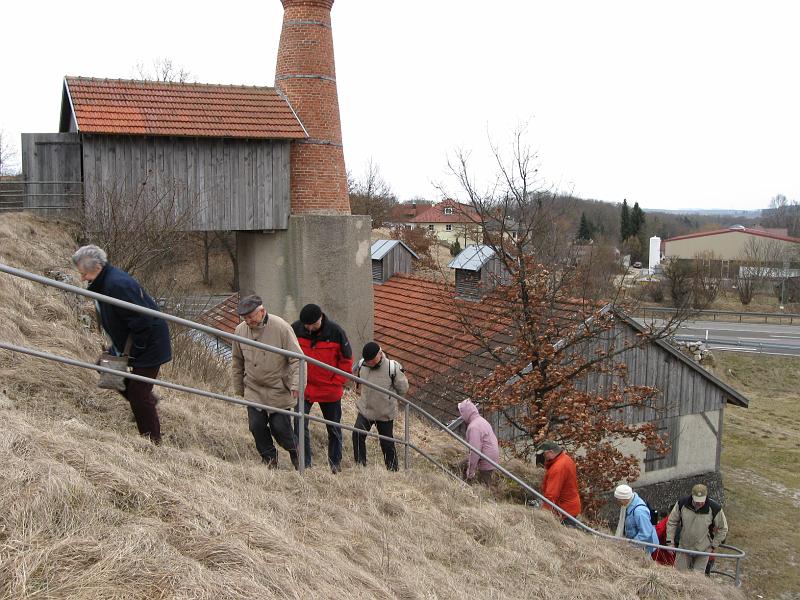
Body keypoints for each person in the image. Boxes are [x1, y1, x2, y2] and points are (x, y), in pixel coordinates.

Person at [72, 245, 172, 444]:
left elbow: (142, 320)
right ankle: (147, 403)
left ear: (97, 267)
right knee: (105, 367)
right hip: (132, 343)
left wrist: (135, 352)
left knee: (137, 394)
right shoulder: (105, 282)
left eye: (84, 274)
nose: (82, 279)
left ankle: (152, 442)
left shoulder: (117, 285)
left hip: (150, 345)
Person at [231, 294, 304, 469]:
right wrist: (239, 387)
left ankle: (295, 450)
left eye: (250, 317)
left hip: (278, 388)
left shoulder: (281, 328)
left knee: (280, 427)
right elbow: (237, 360)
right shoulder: (240, 331)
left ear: (262, 311)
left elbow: (298, 359)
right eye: (245, 318)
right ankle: (269, 459)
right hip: (254, 388)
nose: (248, 321)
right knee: (256, 426)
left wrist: (296, 385)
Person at [291, 303, 353, 473]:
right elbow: (287, 353)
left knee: (333, 428)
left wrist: (335, 381)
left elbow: (347, 362)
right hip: (304, 387)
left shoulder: (336, 332)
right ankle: (304, 464)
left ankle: (335, 465)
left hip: (329, 390)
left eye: (313, 324)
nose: (310, 328)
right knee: (299, 424)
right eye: (307, 325)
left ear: (321, 318)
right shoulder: (296, 329)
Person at [352, 342, 408, 471]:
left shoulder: (392, 367)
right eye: (368, 361)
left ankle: (393, 470)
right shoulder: (362, 364)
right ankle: (360, 466)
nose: (370, 363)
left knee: (387, 443)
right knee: (357, 434)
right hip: (365, 410)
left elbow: (403, 388)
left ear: (380, 354)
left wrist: (391, 399)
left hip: (384, 413)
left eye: (372, 360)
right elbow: (355, 375)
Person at [665, 483, 729, 573]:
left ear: (706, 496)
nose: (699, 503)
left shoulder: (715, 508)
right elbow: (672, 522)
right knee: (679, 575)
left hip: (703, 549)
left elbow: (723, 528)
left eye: (702, 501)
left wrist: (713, 545)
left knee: (697, 578)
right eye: (697, 500)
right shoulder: (682, 503)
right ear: (692, 496)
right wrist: (669, 542)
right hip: (684, 547)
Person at [536, 440, 582, 523]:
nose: (543, 456)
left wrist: (544, 514)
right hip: (571, 506)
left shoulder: (558, 468)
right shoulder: (566, 458)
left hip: (564, 511)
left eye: (544, 453)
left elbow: (551, 495)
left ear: (551, 452)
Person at [457, 399, 500, 485]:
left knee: (484, 485)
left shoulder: (473, 427)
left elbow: (475, 451)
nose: (460, 416)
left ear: (466, 412)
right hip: (491, 457)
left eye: (461, 412)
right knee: (460, 465)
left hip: (486, 460)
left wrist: (470, 472)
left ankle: (468, 488)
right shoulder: (481, 420)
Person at [614, 484, 659, 554]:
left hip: (646, 548)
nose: (618, 502)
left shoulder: (639, 511)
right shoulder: (630, 502)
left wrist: (630, 545)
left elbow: (646, 533)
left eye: (619, 500)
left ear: (625, 499)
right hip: (638, 544)